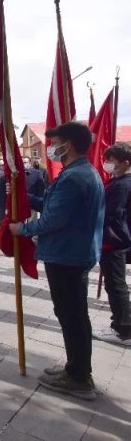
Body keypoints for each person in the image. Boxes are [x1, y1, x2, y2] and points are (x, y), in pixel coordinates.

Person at [9, 122, 105, 400]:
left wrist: (21, 229)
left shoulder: (75, 177)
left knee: (72, 316)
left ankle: (79, 379)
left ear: (69, 145)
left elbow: (53, 220)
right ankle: (76, 368)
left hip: (67, 256)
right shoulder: (79, 172)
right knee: (73, 315)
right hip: (72, 254)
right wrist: (24, 197)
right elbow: (53, 206)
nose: (50, 148)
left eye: (55, 143)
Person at [93, 143, 131, 346]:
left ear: (125, 163)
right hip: (112, 239)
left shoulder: (123, 184)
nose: (107, 163)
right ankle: (119, 323)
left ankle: (124, 330)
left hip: (114, 241)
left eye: (112, 160)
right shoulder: (117, 181)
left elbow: (111, 213)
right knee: (114, 283)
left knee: (116, 285)